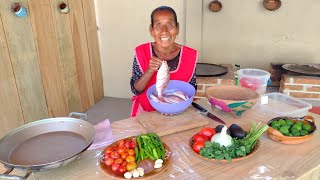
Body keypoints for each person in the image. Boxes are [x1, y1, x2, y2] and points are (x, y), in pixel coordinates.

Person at [130, 6, 198, 117]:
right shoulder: (142, 52)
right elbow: (136, 89)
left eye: (170, 25)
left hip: (177, 113)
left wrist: (173, 104)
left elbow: (191, 90)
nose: (164, 31)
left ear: (177, 28)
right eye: (158, 25)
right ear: (151, 30)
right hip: (146, 112)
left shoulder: (190, 55)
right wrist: (150, 70)